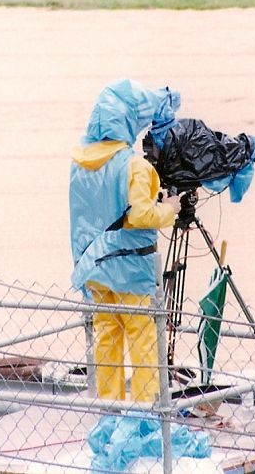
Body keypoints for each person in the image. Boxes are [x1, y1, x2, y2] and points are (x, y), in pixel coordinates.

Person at [69, 78, 181, 403]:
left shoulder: (80, 164)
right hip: (131, 269)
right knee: (143, 341)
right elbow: (141, 215)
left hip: (94, 269)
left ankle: (110, 410)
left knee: (107, 340)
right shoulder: (134, 165)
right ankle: (144, 415)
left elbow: (82, 216)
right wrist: (170, 208)